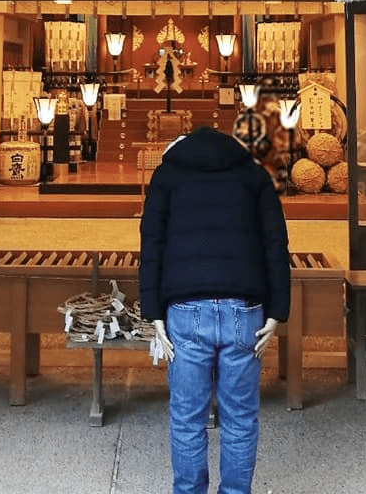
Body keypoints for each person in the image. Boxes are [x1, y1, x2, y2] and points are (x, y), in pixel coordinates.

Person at [139, 125, 291, 494]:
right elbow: (276, 243)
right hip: (246, 313)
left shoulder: (167, 175)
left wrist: (153, 312)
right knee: (240, 419)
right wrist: (276, 312)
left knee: (188, 419)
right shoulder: (254, 175)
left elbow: (152, 244)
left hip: (185, 311)